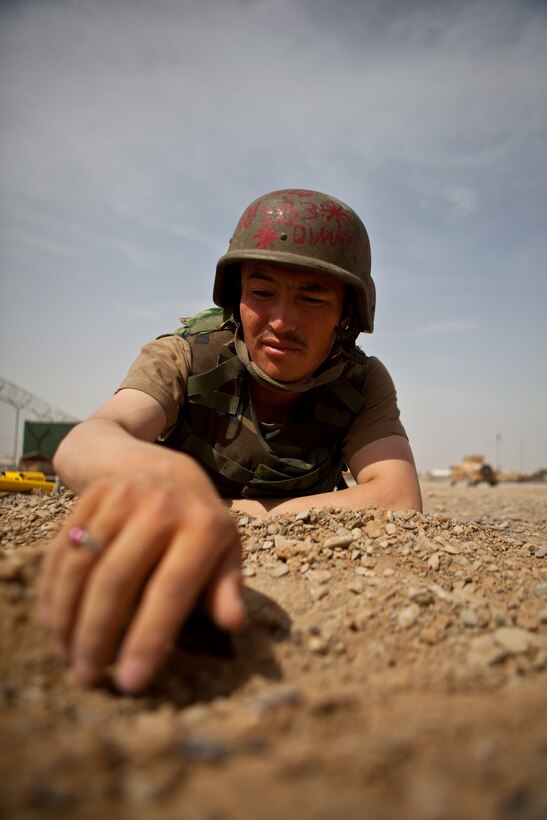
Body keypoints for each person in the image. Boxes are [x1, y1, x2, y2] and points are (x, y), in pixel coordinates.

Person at [39, 188, 422, 694]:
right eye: (262, 292)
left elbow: (396, 499)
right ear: (236, 294)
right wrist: (160, 479)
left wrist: (232, 513)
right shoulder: (183, 355)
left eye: (311, 298)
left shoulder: (363, 381)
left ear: (346, 314)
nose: (282, 321)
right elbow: (89, 440)